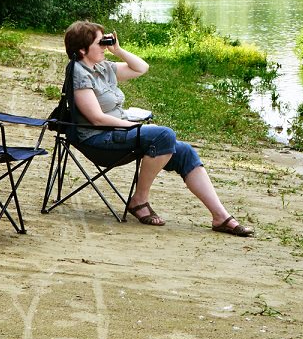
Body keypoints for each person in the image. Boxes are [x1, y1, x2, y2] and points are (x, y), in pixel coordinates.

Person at [63, 21, 253, 237]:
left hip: (119, 133)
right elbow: (96, 119)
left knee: (185, 151)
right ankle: (139, 201)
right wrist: (136, 127)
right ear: (81, 49)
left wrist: (118, 50)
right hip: (99, 140)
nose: (105, 47)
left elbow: (141, 68)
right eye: (101, 43)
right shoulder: (80, 73)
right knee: (163, 135)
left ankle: (221, 217)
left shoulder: (103, 67)